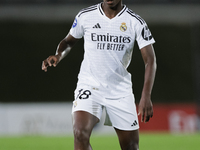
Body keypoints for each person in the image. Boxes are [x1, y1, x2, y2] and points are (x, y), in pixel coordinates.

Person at [42, 0, 157, 149]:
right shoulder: (86, 16)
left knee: (131, 146)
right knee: (80, 133)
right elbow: (68, 41)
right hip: (89, 85)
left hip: (119, 91)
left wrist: (146, 96)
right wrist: (58, 55)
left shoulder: (135, 22)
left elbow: (150, 61)